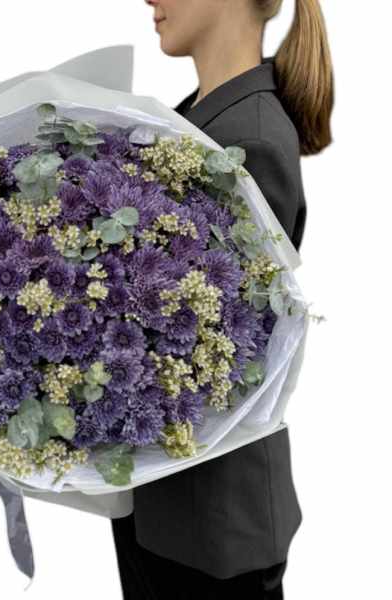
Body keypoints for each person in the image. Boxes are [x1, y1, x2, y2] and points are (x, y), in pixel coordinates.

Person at [111, 1, 334, 598]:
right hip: (168, 507)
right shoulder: (195, 118)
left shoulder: (249, 139)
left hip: (214, 526)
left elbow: (225, 351)